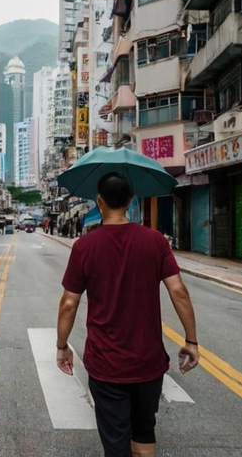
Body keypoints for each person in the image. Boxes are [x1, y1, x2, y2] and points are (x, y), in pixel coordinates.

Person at [55, 172, 199, 457]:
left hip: (106, 364)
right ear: (132, 200)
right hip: (148, 362)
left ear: (99, 202)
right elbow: (178, 291)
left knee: (115, 443)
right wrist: (191, 341)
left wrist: (62, 346)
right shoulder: (156, 241)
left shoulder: (84, 246)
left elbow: (69, 303)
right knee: (144, 436)